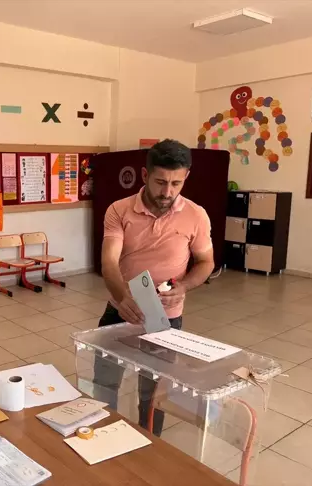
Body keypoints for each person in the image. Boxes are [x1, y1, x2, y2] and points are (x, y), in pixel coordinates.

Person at [95, 139, 215, 436]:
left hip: (166, 319)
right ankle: (100, 435)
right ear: (144, 174)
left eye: (176, 183)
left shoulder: (196, 215)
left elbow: (206, 262)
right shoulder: (118, 210)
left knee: (153, 392)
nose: (168, 192)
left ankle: (150, 444)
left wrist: (184, 286)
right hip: (119, 311)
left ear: (186, 177)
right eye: (160, 182)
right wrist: (123, 298)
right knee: (104, 382)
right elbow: (109, 263)